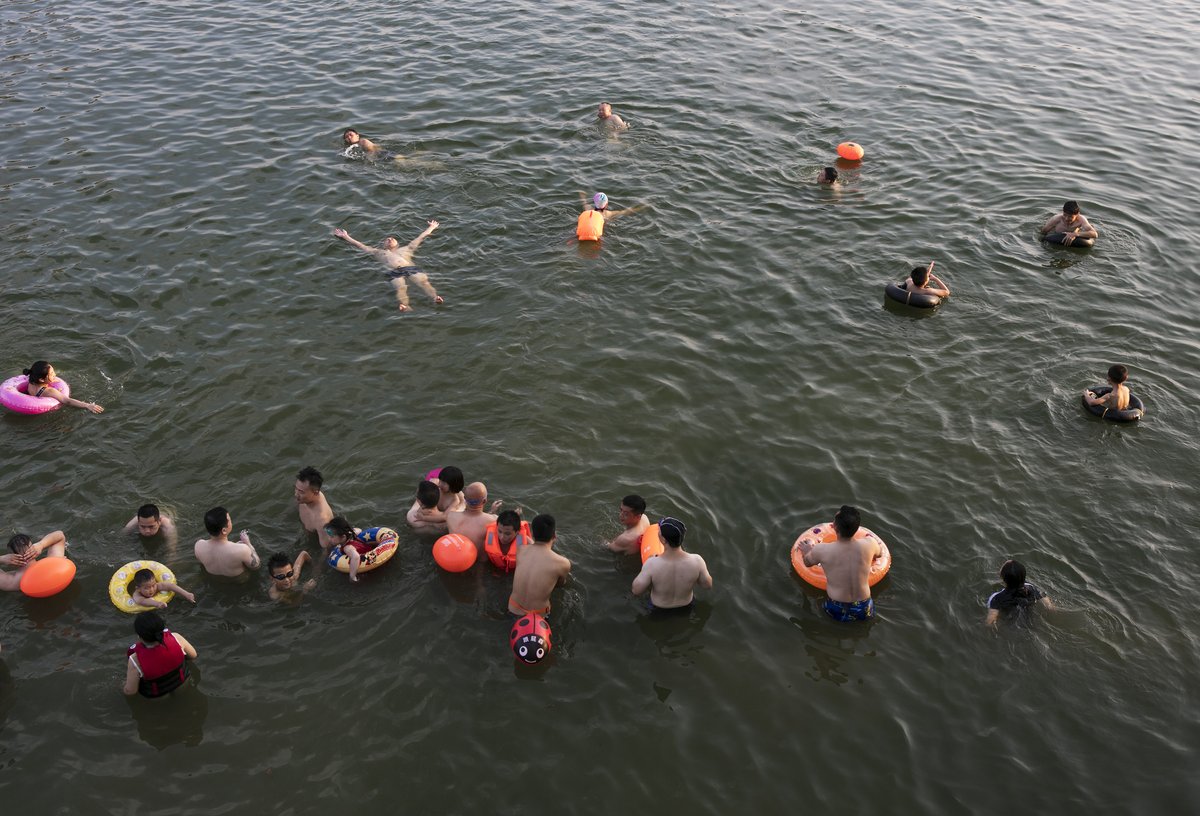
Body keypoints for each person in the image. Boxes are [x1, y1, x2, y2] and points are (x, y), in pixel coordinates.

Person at [332, 221, 444, 311]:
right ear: (383, 245)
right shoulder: (377, 252)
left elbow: (420, 238)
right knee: (400, 288)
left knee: (424, 282)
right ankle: (404, 305)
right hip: (394, 272)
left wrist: (431, 227)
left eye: (392, 239)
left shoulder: (407, 249)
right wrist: (345, 236)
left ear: (398, 243)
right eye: (387, 239)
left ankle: (435, 297)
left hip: (410, 268)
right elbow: (360, 245)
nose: (390, 239)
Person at [796, 505, 881, 622]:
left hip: (837, 607)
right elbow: (879, 554)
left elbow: (807, 563)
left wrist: (807, 550)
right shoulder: (870, 544)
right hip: (865, 607)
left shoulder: (822, 550)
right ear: (857, 528)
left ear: (834, 526)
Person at [631, 516, 713, 614]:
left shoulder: (652, 563)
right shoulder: (697, 561)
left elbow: (636, 590)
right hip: (687, 607)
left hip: (659, 609)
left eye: (659, 532)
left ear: (664, 540)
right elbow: (707, 585)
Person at [123, 611, 198, 698]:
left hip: (159, 698)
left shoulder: (135, 660)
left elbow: (131, 692)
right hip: (183, 686)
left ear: (139, 636)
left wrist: (123, 685)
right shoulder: (176, 638)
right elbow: (193, 655)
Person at [508, 514, 571, 616]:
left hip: (512, 608)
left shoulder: (520, 550)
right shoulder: (563, 563)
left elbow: (532, 547)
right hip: (537, 616)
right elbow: (560, 585)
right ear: (554, 535)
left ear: (532, 534)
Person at [194, 507, 261, 578]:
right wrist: (248, 544)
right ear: (224, 530)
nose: (231, 521)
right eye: (229, 520)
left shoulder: (198, 546)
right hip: (240, 582)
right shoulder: (242, 550)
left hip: (217, 583)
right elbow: (256, 566)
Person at [986, 559, 1053, 626]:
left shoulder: (996, 598)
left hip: (1011, 624)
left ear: (1002, 576)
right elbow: (1047, 603)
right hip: (1030, 621)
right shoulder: (1030, 588)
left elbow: (990, 622)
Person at [18, 361, 103, 413]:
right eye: (51, 374)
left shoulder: (31, 381)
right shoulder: (49, 391)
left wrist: (50, 380)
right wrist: (87, 405)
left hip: (31, 397)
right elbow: (67, 401)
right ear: (41, 379)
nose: (55, 374)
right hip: (45, 410)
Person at [0, 531, 67, 592]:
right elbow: (60, 535)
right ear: (33, 549)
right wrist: (41, 544)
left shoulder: (13, 582)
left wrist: (2, 559)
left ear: (10, 556)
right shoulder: (54, 563)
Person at [446, 482, 503, 549]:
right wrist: (492, 513)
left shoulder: (451, 517)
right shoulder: (494, 520)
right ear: (484, 501)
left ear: (465, 498)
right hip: (480, 559)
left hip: (456, 556)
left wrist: (491, 512)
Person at [325, 516, 380, 582]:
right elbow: (359, 529)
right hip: (370, 550)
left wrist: (352, 576)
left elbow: (356, 557)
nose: (329, 539)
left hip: (369, 568)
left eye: (332, 537)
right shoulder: (353, 534)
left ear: (343, 537)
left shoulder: (347, 548)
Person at [575, 192, 646, 241]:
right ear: (606, 204)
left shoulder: (589, 210)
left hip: (584, 232)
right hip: (599, 234)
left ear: (594, 203)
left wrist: (583, 196)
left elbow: (584, 203)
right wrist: (641, 207)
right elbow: (626, 212)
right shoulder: (609, 214)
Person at [294, 466, 335, 549]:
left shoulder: (322, 520)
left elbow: (327, 550)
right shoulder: (303, 497)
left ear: (315, 493)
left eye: (301, 492)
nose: (296, 494)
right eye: (296, 488)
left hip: (316, 537)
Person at [130, 568, 196, 609]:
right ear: (138, 588)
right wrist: (157, 604)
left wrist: (187, 594)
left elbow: (170, 586)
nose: (151, 589)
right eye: (146, 588)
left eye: (153, 585)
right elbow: (142, 601)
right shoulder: (137, 595)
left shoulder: (157, 586)